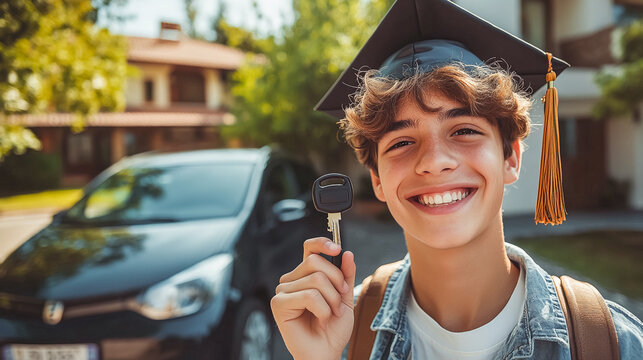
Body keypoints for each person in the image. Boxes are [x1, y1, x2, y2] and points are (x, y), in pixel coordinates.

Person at [270, 0, 643, 359]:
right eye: (401, 142)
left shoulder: (612, 344)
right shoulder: (344, 334)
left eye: (463, 130)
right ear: (377, 179)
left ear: (510, 156)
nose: (434, 162)